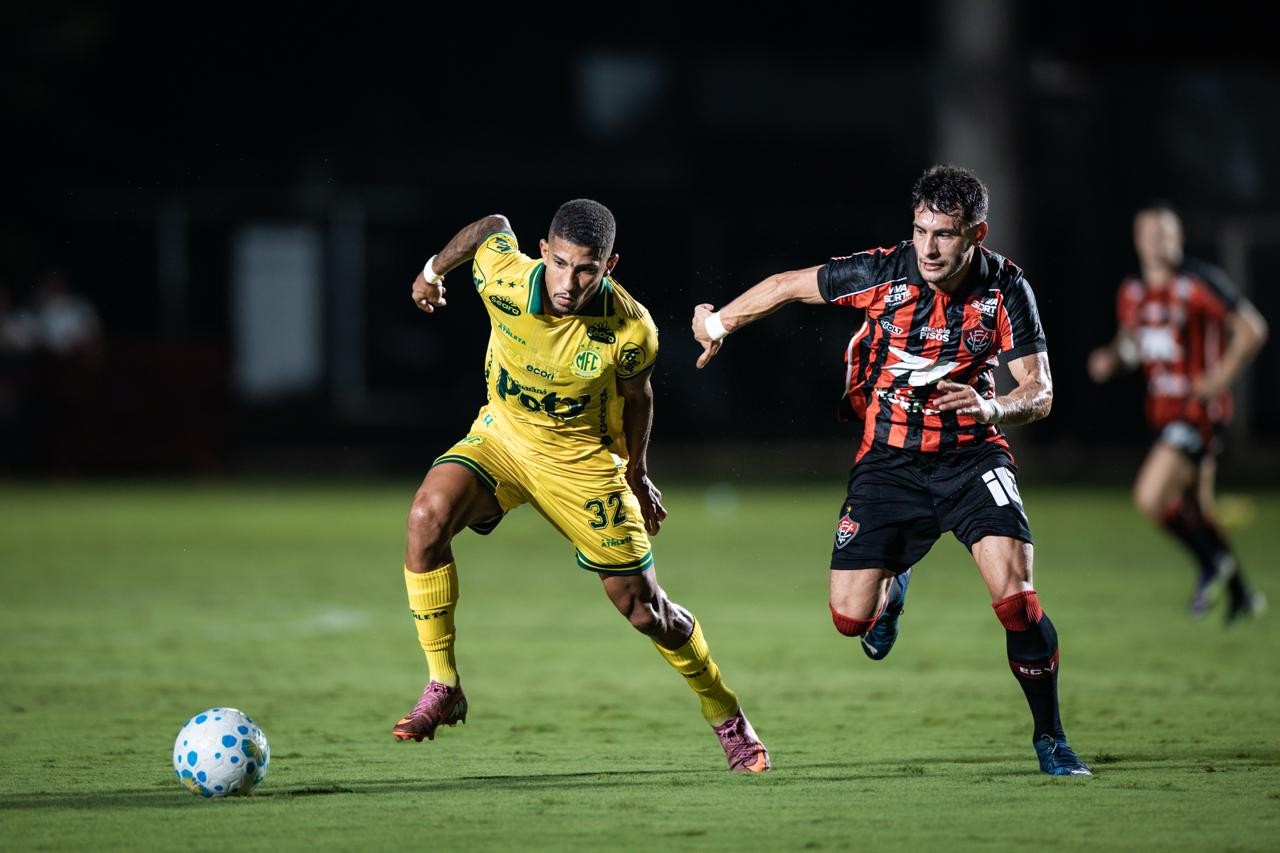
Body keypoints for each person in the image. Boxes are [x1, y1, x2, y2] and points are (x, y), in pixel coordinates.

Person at [690, 165, 1091, 777]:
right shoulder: (883, 271)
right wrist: (718, 324)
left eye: (946, 235)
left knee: (1016, 598)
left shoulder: (1007, 289)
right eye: (921, 230)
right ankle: (895, 581)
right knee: (850, 619)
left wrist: (992, 406)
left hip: (971, 458)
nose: (929, 247)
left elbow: (1040, 393)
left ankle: (1051, 738)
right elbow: (786, 285)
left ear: (976, 234)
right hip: (889, 463)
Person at [394, 199, 770, 772]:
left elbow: (639, 399)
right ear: (543, 252)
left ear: (609, 266)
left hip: (583, 466)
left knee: (647, 612)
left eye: (587, 268)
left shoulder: (630, 329)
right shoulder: (506, 276)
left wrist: (639, 475)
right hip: (503, 441)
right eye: (562, 263)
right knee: (426, 518)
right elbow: (492, 227)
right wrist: (430, 272)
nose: (570, 282)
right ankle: (443, 685)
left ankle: (726, 714)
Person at [1088, 203, 1268, 624]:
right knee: (1199, 510)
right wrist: (1113, 359)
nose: (1158, 241)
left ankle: (1212, 566)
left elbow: (1252, 330)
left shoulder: (1199, 282)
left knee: (1150, 497)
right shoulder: (1132, 291)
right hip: (1162, 412)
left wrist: (1218, 379)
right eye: (1150, 234)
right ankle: (1241, 595)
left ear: (1179, 238)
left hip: (1198, 411)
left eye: (1166, 233)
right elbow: (1136, 344)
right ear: (1138, 241)